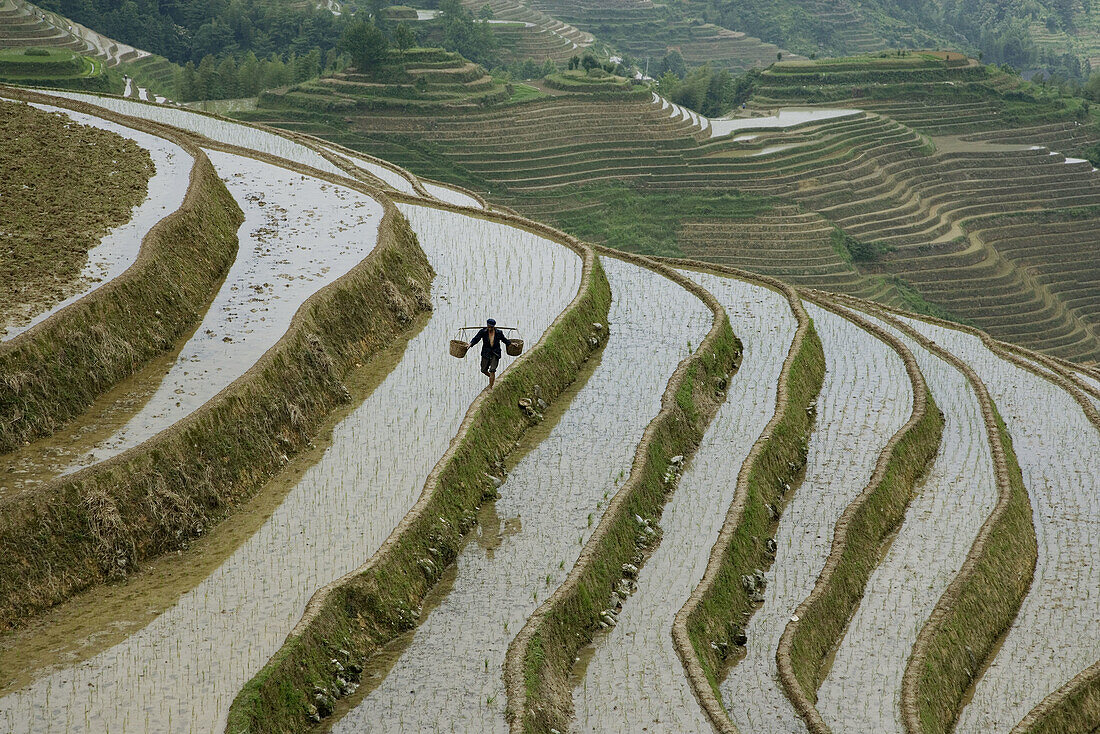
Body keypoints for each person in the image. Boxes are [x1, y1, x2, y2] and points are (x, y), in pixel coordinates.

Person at [469, 318, 510, 389]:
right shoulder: (483, 332)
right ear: (487, 325)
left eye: (491, 327)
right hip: (486, 352)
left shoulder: (498, 332)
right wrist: (470, 344)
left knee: (492, 370)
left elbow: (504, 340)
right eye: (488, 326)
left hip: (495, 353)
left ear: (494, 326)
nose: (489, 328)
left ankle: (491, 387)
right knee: (483, 370)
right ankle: (492, 378)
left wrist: (511, 344)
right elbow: (476, 338)